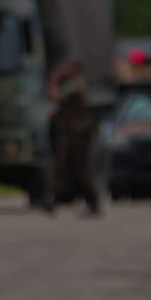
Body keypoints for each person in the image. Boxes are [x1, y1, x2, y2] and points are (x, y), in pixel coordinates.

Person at [48, 58, 100, 215]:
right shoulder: (75, 84)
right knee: (67, 169)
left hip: (77, 135)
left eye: (67, 68)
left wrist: (54, 77)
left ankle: (92, 202)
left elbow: (55, 95)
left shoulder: (75, 84)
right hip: (73, 133)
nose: (64, 71)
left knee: (80, 169)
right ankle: (61, 199)